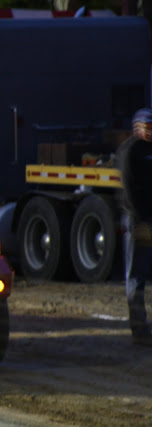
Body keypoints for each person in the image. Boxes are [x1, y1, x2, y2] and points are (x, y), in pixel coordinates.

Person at [118, 107, 152, 346]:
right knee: (136, 275)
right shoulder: (130, 151)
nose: (149, 132)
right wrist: (140, 220)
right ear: (136, 128)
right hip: (138, 220)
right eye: (146, 128)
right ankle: (139, 330)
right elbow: (129, 190)